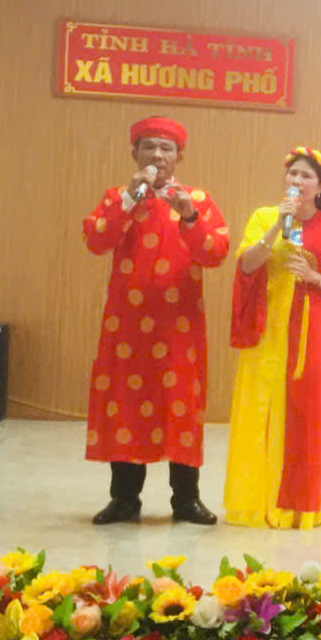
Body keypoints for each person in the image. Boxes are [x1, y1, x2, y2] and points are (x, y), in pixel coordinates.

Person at [84, 116, 229, 525]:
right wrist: (129, 200)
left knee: (181, 405)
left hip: (179, 326)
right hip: (126, 327)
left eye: (167, 148)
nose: (158, 155)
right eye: (149, 146)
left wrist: (189, 216)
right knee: (124, 404)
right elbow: (96, 240)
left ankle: (186, 501)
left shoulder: (197, 199)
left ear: (179, 156)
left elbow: (215, 253)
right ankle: (125, 499)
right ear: (135, 153)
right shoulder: (117, 197)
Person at [223, 148, 321, 529]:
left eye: (305, 176)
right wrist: (275, 229)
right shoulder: (265, 217)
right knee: (261, 407)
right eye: (292, 174)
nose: (296, 181)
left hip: (311, 328)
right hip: (268, 327)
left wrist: (316, 279)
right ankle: (259, 500)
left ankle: (303, 504)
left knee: (307, 410)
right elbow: (247, 265)